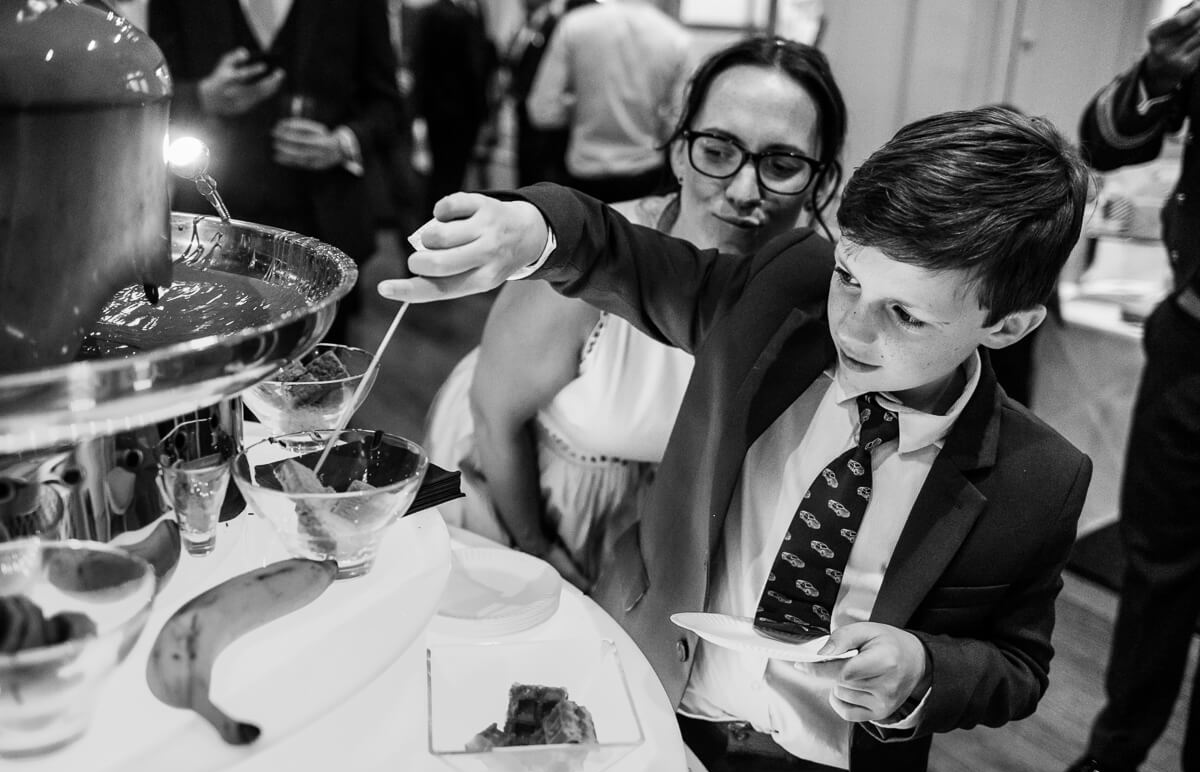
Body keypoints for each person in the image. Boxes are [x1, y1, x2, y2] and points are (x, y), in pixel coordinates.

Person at [380, 105, 1093, 772]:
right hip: (645, 688)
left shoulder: (1040, 479)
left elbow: (1020, 664)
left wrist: (925, 668)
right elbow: (620, 254)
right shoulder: (781, 294)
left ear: (1007, 326)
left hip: (826, 762)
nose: (853, 327)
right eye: (851, 275)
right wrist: (532, 230)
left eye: (906, 313)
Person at [424, 36, 847, 591]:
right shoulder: (587, 273)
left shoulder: (832, 293)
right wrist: (538, 554)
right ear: (677, 152)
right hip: (538, 508)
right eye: (718, 151)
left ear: (819, 177)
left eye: (783, 163)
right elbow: (494, 418)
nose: (746, 190)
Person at [1055, 4, 1200, 772]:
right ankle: (1114, 755)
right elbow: (1105, 141)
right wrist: (1158, 73)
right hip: (1191, 345)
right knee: (1158, 564)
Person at [149, 0, 403, 346]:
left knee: (314, 382)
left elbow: (387, 105)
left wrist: (342, 143)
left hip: (322, 224)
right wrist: (203, 97)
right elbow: (150, 90)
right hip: (212, 235)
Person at [525, 0, 692, 203]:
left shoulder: (575, 25)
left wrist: (581, 109)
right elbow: (678, 124)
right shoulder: (675, 37)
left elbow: (542, 112)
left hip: (585, 171)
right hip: (644, 172)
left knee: (585, 234)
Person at [410, 0, 498, 216]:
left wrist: (416, 109)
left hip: (434, 109)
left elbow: (418, 64)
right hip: (462, 111)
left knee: (437, 174)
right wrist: (484, 113)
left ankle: (429, 223)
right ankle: (441, 223)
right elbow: (474, 70)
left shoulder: (427, 16)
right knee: (452, 175)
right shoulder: (466, 19)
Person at [505, 0, 595, 187]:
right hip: (529, 112)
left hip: (547, 127)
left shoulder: (560, 24)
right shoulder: (533, 24)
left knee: (540, 180)